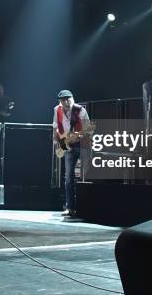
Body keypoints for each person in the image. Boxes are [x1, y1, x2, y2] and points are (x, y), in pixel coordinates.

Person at [52, 89, 90, 219]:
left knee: (86, 176)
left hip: (82, 145)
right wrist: (58, 141)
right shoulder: (57, 109)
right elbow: (55, 126)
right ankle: (70, 207)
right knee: (68, 178)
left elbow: (88, 129)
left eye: (67, 99)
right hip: (68, 147)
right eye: (62, 100)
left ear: (71, 99)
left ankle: (85, 207)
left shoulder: (80, 110)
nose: (65, 103)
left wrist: (78, 137)